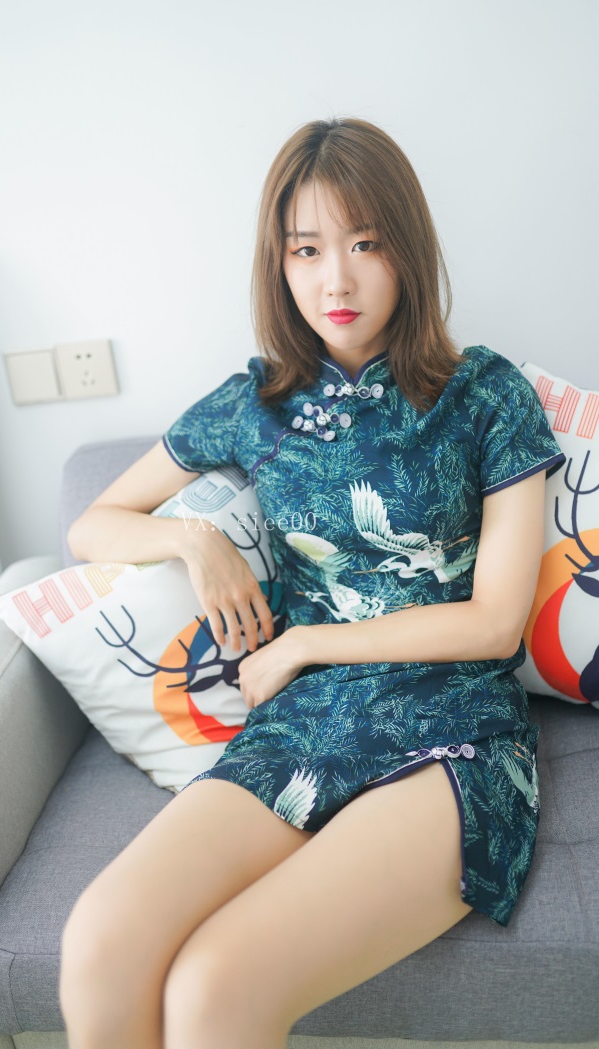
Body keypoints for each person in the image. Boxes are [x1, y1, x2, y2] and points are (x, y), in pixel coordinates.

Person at [58, 117, 566, 1049]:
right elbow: (91, 525)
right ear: (280, 263)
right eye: (307, 249)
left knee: (215, 986)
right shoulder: (255, 402)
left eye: (365, 243)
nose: (337, 279)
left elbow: (496, 621)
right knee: (100, 942)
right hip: (303, 723)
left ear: (407, 250)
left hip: (449, 724)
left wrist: (305, 641)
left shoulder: (486, 394)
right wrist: (195, 540)